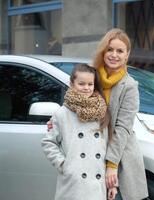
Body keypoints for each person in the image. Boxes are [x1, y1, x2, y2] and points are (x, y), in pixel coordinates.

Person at [41, 64, 117, 200]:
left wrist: (112, 185)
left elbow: (108, 146)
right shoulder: (62, 113)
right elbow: (48, 142)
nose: (86, 88)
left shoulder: (102, 112)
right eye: (81, 84)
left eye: (90, 84)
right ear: (72, 84)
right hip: (73, 184)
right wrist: (64, 164)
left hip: (97, 184)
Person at [93, 28, 148, 200]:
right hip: (91, 151)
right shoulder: (91, 78)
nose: (114, 55)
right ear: (103, 52)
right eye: (110, 49)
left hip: (118, 157)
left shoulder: (130, 86)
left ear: (127, 55)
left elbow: (123, 128)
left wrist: (111, 164)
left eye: (119, 51)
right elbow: (74, 105)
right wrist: (57, 120)